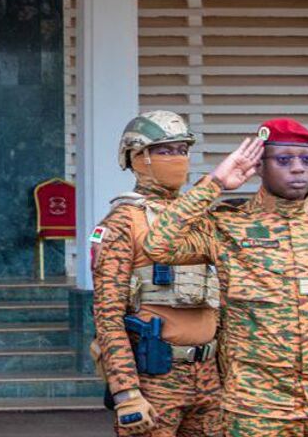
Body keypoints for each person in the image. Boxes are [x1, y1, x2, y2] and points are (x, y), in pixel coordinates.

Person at [141, 119, 308, 437]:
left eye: (306, 160)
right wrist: (216, 182)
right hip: (254, 410)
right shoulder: (229, 226)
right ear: (259, 167)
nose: (297, 169)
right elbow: (159, 244)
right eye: (283, 160)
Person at [88, 112, 223, 437]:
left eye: (182, 150)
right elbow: (108, 317)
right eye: (165, 151)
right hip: (154, 377)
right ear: (137, 158)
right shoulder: (123, 222)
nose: (177, 159)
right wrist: (126, 391)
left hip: (208, 376)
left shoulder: (200, 218)